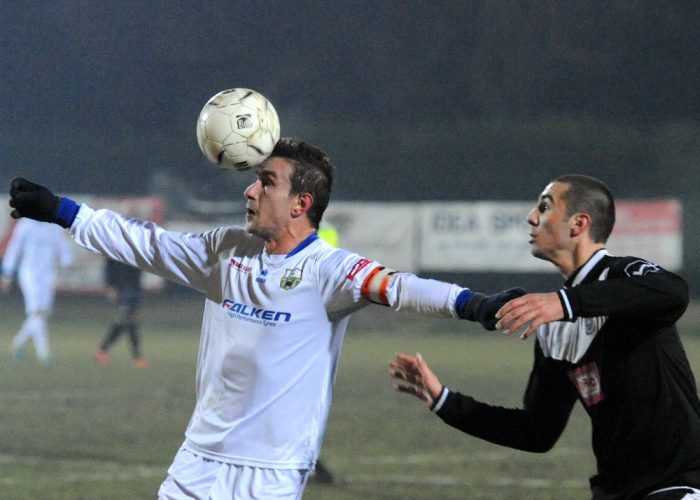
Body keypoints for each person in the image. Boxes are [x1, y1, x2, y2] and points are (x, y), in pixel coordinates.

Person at [6, 138, 517, 499]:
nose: (250, 192)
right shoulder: (227, 250)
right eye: (254, 181)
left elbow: (401, 287)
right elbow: (149, 244)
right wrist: (62, 210)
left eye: (265, 183)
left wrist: (476, 305)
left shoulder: (330, 271)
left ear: (301, 203)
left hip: (267, 475)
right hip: (195, 460)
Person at [390, 174, 700, 499]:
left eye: (545, 206)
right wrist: (444, 400)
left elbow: (674, 292)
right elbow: (536, 432)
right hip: (616, 491)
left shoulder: (623, 275)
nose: (531, 217)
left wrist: (566, 303)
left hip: (677, 484)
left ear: (578, 223)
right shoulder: (553, 323)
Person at [0, 218, 73, 365]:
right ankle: (44, 354)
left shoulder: (53, 226)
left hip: (47, 274)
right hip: (29, 273)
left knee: (42, 314)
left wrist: (67, 260)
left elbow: (62, 246)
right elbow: (15, 248)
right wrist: (7, 273)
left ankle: (18, 344)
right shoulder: (26, 225)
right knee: (36, 311)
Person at [94, 257, 148, 368]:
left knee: (128, 320)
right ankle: (137, 357)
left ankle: (102, 350)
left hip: (134, 286)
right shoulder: (117, 244)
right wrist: (110, 286)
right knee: (128, 320)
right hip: (121, 288)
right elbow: (109, 263)